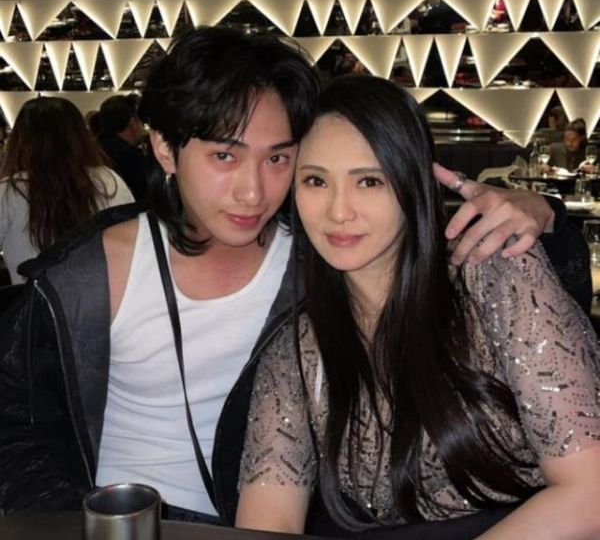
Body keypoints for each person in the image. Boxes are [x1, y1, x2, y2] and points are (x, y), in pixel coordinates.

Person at [0, 27, 560, 525]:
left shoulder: (323, 257)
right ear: (166, 148)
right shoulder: (87, 277)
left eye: (277, 158)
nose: (253, 191)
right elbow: (15, 428)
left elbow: (479, 284)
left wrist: (541, 214)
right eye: (225, 157)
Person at [236, 76, 600, 539]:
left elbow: (590, 496)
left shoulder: (494, 275)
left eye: (369, 181)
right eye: (315, 181)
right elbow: (267, 521)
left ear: (412, 183)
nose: (338, 211)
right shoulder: (298, 351)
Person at [0, 97, 133, 284]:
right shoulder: (109, 181)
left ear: (20, 140)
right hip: (105, 297)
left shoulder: (9, 191)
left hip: (34, 299)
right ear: (80, 136)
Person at [98, 94, 148, 200]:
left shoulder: (94, 149)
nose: (142, 126)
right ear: (132, 123)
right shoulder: (131, 157)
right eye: (141, 121)